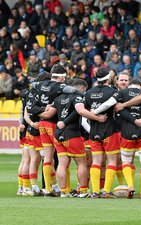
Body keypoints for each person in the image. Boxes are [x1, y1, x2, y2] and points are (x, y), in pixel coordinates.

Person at [29, 64, 81, 196]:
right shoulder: (60, 87)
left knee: (47, 157)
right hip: (53, 124)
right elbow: (75, 91)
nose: (65, 80)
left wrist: (41, 110)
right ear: (62, 77)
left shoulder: (39, 84)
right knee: (64, 159)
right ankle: (67, 189)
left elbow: (32, 85)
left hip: (42, 125)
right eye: (64, 77)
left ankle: (48, 188)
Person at [40, 79, 90, 198]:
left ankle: (64, 191)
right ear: (81, 88)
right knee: (81, 163)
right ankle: (83, 191)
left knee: (62, 163)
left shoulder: (58, 98)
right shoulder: (77, 97)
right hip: (72, 133)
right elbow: (79, 112)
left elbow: (48, 113)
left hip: (58, 134)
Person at [75, 68, 120, 198]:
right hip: (110, 130)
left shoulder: (88, 93)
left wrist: (94, 116)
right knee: (112, 161)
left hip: (94, 132)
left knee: (96, 161)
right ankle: (106, 191)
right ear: (109, 78)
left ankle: (95, 191)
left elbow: (83, 111)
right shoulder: (112, 92)